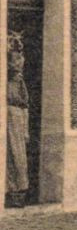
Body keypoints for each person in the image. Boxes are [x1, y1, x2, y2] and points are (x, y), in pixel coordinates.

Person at [6, 35, 29, 207]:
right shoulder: (8, 82)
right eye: (13, 62)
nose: (16, 67)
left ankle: (19, 192)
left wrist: (26, 129)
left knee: (18, 155)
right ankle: (10, 190)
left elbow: (25, 105)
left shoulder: (19, 83)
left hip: (16, 118)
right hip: (9, 117)